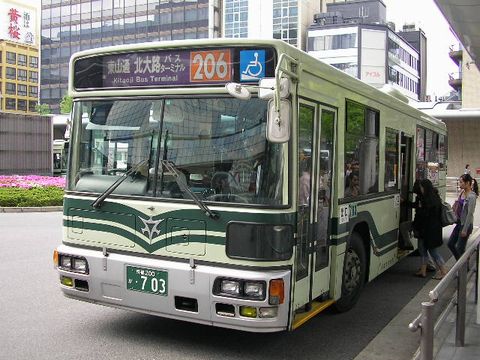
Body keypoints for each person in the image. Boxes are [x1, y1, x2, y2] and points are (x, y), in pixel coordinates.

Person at [412, 179, 448, 279]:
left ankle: (444, 271)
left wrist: (420, 208)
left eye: (422, 187)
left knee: (433, 252)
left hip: (429, 231)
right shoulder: (435, 198)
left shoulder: (428, 201)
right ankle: (423, 270)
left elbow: (424, 216)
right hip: (431, 230)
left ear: (425, 188)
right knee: (423, 250)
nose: (421, 189)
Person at [448, 173, 478, 260]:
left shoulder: (471, 196)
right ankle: (462, 262)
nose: (459, 184)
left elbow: (470, 214)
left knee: (459, 248)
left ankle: (461, 267)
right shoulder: (462, 192)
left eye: (461, 182)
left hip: (466, 225)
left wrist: (465, 229)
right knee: (450, 244)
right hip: (459, 223)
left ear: (467, 183)